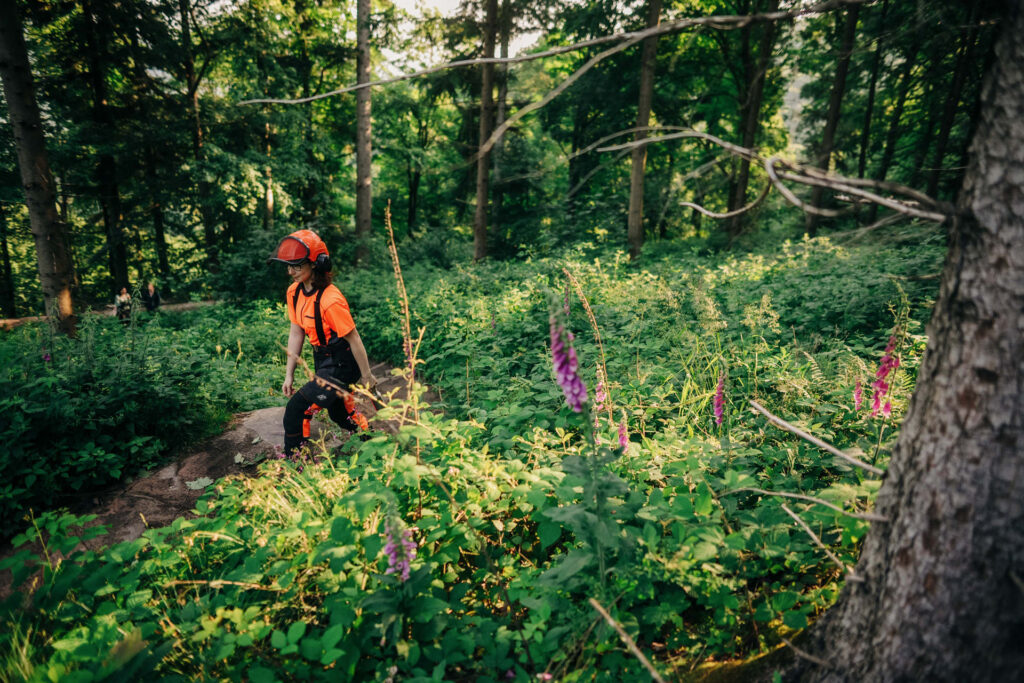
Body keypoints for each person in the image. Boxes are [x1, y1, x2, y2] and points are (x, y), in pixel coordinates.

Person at [268, 229, 377, 456]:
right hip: (322, 360)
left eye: (297, 265)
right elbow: (296, 332)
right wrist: (289, 374)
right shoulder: (294, 292)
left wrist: (367, 376)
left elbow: (353, 337)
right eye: (289, 266)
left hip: (342, 364)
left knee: (296, 409)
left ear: (317, 263)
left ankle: (295, 464)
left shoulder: (331, 299)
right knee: (339, 414)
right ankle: (374, 441)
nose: (291, 271)